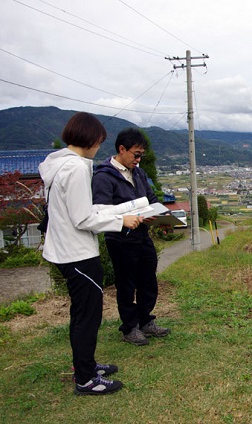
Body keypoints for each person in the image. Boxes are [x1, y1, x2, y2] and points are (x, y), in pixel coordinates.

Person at [38, 112, 143, 395]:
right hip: (77, 253)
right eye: (100, 141)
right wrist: (121, 221)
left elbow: (83, 209)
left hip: (64, 250)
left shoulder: (59, 164)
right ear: (91, 139)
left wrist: (119, 211)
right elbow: (82, 219)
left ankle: (86, 365)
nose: (100, 146)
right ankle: (86, 379)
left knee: (82, 314)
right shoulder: (76, 168)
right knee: (88, 317)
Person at [92, 127, 171, 346]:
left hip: (142, 235)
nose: (138, 159)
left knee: (148, 279)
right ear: (121, 149)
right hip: (120, 238)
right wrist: (128, 216)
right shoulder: (103, 176)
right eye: (136, 154)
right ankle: (129, 327)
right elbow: (101, 211)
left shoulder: (139, 173)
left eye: (141, 155)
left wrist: (156, 214)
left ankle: (146, 320)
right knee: (126, 284)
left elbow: (152, 198)